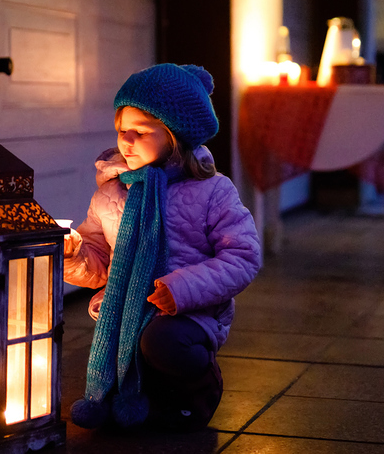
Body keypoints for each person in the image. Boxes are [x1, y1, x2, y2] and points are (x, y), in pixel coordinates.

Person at [63, 63, 262, 432]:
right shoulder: (111, 193)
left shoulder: (213, 191)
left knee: (160, 341)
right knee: (136, 340)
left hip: (190, 313)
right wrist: (75, 256)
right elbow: (100, 264)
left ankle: (199, 391)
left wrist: (181, 288)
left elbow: (243, 256)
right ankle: (138, 401)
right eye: (122, 130)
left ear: (174, 135)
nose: (126, 141)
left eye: (140, 132)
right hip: (126, 309)